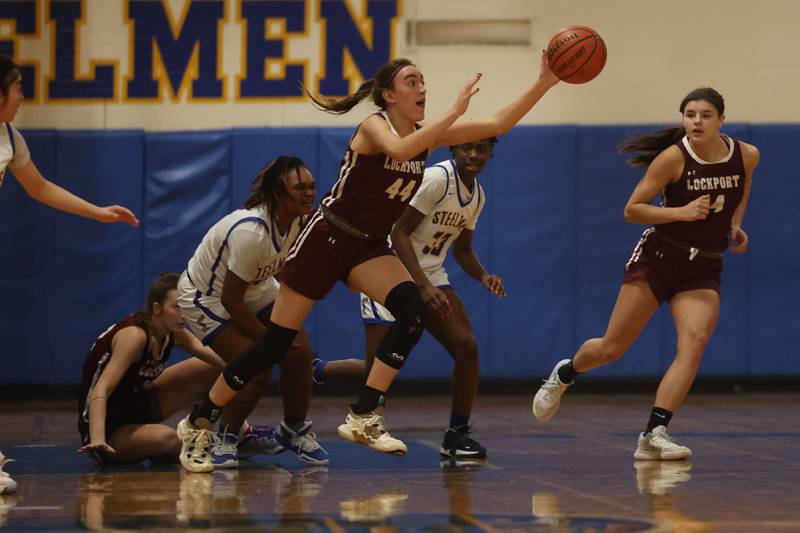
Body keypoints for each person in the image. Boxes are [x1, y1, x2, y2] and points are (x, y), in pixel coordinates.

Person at [177, 51, 559, 463]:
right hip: (327, 238)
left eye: (423, 81)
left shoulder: (425, 135)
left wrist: (546, 81)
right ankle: (199, 419)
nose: (423, 88)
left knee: (412, 311)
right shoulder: (374, 126)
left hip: (368, 245)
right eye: (412, 81)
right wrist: (454, 112)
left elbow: (500, 123)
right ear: (387, 95)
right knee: (274, 346)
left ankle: (364, 413)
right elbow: (399, 149)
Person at [532, 87, 759, 460]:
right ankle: (565, 373)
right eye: (689, 115)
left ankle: (654, 433)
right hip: (658, 257)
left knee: (695, 341)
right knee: (612, 348)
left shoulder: (747, 155)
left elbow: (743, 186)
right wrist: (680, 212)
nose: (696, 121)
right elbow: (633, 210)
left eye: (704, 115)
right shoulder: (672, 159)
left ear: (721, 120)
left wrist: (734, 224)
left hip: (703, 265)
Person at [312, 138, 505, 459]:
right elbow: (398, 232)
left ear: (490, 154)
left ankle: (457, 434)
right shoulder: (437, 179)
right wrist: (421, 286)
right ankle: (318, 371)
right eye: (466, 147)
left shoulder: (477, 196)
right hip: (387, 270)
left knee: (466, 346)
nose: (474, 154)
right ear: (453, 150)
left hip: (430, 275)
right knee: (377, 370)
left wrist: (483, 275)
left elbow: (462, 250)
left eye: (482, 148)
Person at [0, 54, 138, 495]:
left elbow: (39, 187)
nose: (23, 96)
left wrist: (97, 213)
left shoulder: (9, 138)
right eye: (18, 86)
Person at [177, 155, 326, 468]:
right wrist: (271, 342)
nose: (309, 193)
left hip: (255, 287)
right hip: (207, 297)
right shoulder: (252, 232)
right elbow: (232, 299)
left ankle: (293, 429)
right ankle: (227, 438)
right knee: (256, 366)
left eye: (312, 186)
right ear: (277, 193)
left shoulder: (300, 220)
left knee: (301, 353)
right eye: (299, 187)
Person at [77, 272, 227, 469]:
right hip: (107, 426)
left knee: (218, 368)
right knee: (168, 440)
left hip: (137, 404)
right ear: (157, 308)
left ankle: (232, 433)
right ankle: (190, 438)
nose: (184, 314)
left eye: (186, 306)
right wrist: (97, 438)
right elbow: (100, 390)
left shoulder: (175, 333)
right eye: (176, 307)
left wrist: (258, 362)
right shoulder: (135, 337)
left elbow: (221, 360)